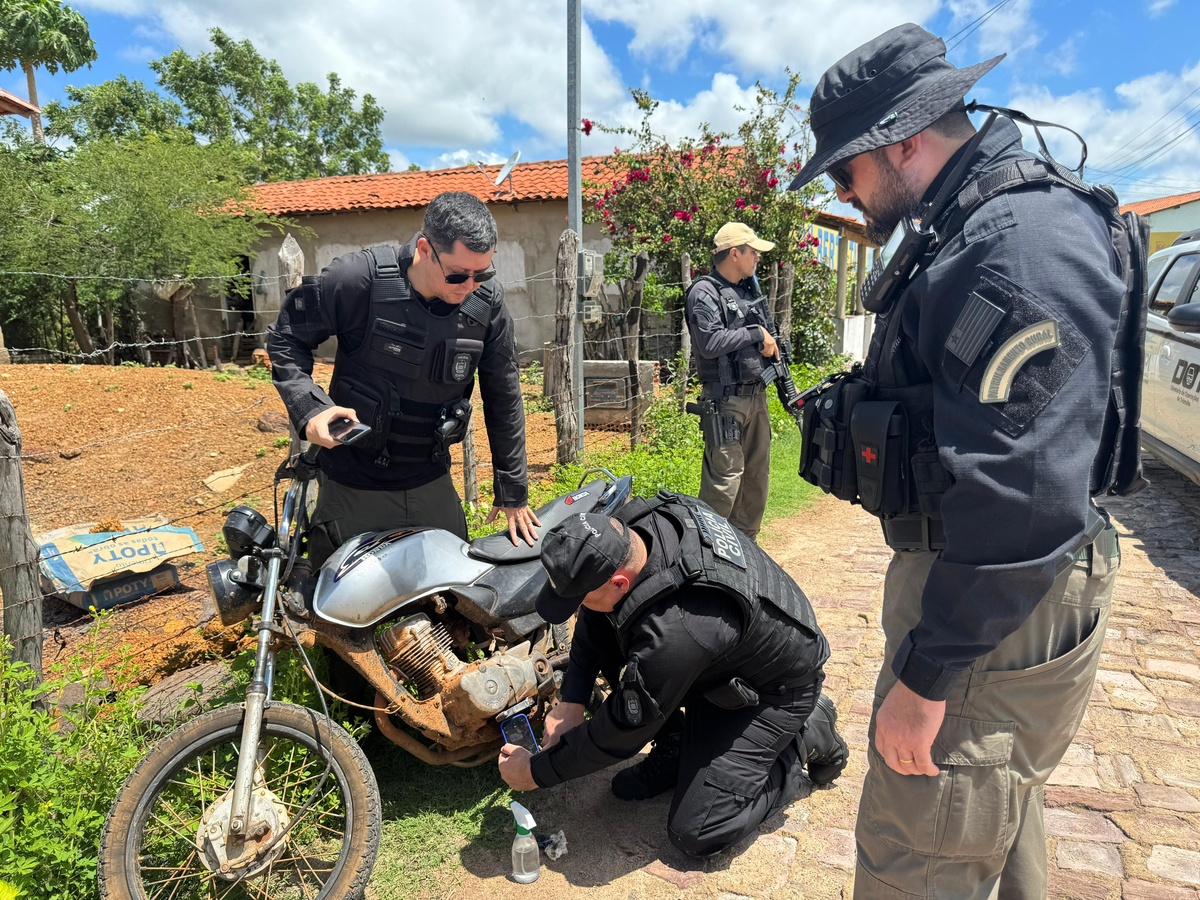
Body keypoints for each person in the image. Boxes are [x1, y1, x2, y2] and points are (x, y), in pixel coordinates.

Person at [789, 23, 1134, 899]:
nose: (842, 189)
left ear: (906, 138)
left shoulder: (1015, 243)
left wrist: (930, 670)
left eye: (847, 168)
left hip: (988, 605)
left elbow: (1024, 495)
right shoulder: (972, 225)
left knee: (920, 854)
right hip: (985, 599)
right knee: (989, 819)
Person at [496, 498, 848, 858]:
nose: (577, 608)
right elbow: (595, 620)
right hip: (722, 659)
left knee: (699, 830)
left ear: (619, 582)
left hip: (774, 690)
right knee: (614, 634)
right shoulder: (627, 531)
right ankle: (678, 745)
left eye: (580, 598)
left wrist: (537, 772)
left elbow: (621, 731)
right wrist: (572, 701)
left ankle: (805, 733)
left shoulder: (677, 631)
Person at [268, 191, 539, 562]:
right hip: (354, 480)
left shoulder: (485, 302)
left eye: (484, 272)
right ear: (425, 250)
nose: (471, 285)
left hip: (429, 478)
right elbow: (286, 338)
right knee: (344, 606)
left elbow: (503, 393)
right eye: (459, 274)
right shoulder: (358, 280)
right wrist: (310, 409)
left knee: (454, 593)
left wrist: (512, 491)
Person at [684, 222, 779, 541]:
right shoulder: (704, 292)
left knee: (755, 482)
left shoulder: (747, 291)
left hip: (756, 397)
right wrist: (756, 334)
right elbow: (709, 343)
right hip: (725, 402)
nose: (757, 258)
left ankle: (746, 555)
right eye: (753, 252)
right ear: (734, 253)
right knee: (724, 485)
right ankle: (705, 553)